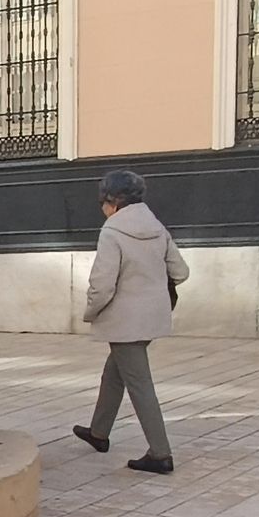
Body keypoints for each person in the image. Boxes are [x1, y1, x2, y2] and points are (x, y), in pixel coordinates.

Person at [72, 170, 189, 475]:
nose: (101, 209)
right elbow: (181, 271)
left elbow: (102, 285)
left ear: (112, 202)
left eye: (102, 202)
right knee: (115, 372)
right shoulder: (156, 226)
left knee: (139, 383)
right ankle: (98, 433)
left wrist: (90, 311)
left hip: (123, 320)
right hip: (152, 317)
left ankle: (160, 453)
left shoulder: (112, 232)